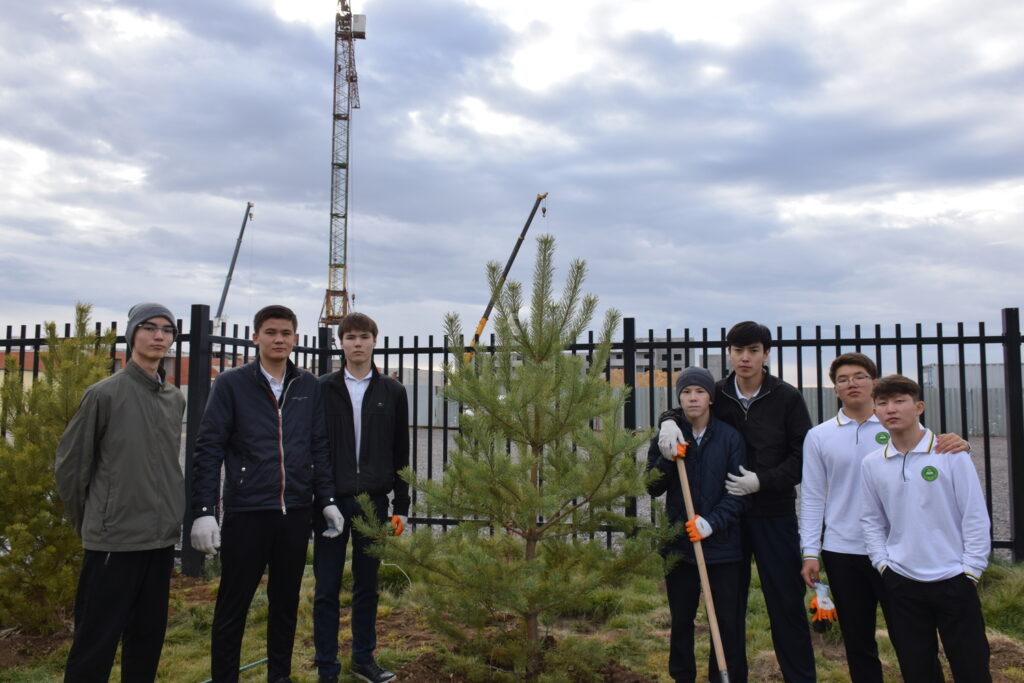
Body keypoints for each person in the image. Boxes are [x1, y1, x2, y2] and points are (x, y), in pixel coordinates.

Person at [190, 304, 343, 683]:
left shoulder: (308, 385)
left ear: (295, 338)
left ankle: (280, 676)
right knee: (233, 605)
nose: (279, 339)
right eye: (271, 332)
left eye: (286, 333)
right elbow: (208, 449)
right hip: (247, 512)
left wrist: (326, 500)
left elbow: (319, 446)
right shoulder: (231, 384)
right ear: (255, 337)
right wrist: (204, 510)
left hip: (295, 513)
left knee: (285, 605)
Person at [659, 321, 816, 682]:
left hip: (773, 513)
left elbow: (802, 455)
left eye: (753, 350)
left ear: (766, 354)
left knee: (785, 603)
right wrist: (666, 421)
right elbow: (686, 408)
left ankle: (800, 677)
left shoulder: (786, 397)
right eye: (738, 350)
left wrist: (763, 481)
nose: (745, 358)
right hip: (728, 519)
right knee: (729, 609)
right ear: (729, 353)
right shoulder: (718, 392)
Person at [799, 354, 969, 682]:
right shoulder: (820, 436)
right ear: (835, 389)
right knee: (858, 641)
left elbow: (936, 453)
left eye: (860, 376)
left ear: (874, 383)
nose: (852, 383)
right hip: (843, 550)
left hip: (897, 552)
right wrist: (810, 551)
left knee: (912, 640)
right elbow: (812, 496)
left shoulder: (896, 424)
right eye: (843, 379)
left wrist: (962, 444)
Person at [55, 302, 185, 682]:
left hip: (159, 540)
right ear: (132, 335)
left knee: (146, 641)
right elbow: (71, 466)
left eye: (167, 330)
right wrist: (95, 521)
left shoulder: (174, 398)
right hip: (114, 541)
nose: (159, 336)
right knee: (95, 644)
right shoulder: (104, 394)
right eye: (150, 327)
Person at [860, 374, 991, 682]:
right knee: (917, 670)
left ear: (918, 407)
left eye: (900, 401)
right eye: (883, 403)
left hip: (954, 579)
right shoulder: (872, 463)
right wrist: (883, 565)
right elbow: (871, 520)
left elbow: (974, 515)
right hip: (902, 581)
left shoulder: (951, 454)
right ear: (875, 411)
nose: (891, 409)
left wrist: (971, 571)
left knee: (971, 668)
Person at [313, 312, 410, 683]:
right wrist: (322, 498)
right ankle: (327, 667)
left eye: (364, 336)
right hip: (330, 503)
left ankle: (363, 659)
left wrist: (402, 506)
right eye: (350, 337)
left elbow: (401, 450)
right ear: (341, 343)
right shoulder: (323, 388)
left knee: (367, 585)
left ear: (374, 341)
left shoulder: (393, 391)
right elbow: (315, 447)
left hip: (374, 503)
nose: (357, 343)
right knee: (326, 587)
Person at [647, 367, 749, 682]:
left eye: (700, 392)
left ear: (710, 398)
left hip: (723, 547)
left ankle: (722, 676)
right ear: (679, 398)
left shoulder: (730, 438)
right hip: (680, 545)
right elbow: (652, 487)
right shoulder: (668, 436)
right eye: (686, 392)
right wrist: (666, 459)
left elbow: (738, 493)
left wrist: (712, 523)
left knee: (725, 621)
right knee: (681, 620)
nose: (693, 398)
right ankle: (682, 676)